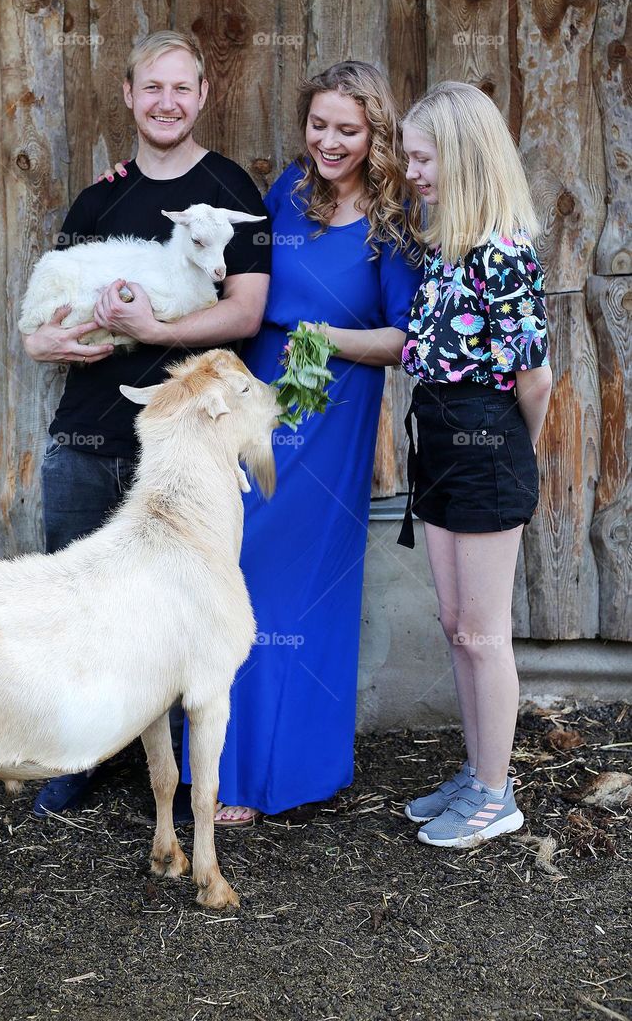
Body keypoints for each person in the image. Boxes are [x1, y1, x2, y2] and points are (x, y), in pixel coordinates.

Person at [20, 29, 271, 816]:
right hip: (87, 432)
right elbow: (45, 319)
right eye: (151, 88)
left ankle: (171, 764)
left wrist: (157, 334)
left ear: (202, 96)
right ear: (129, 96)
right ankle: (72, 754)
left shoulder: (234, 194)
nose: (167, 102)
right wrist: (42, 339)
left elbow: (247, 310)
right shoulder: (99, 199)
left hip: (183, 438)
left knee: (177, 602)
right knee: (71, 592)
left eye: (182, 88)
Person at [189, 60, 423, 824]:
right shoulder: (285, 193)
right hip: (255, 402)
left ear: (374, 134)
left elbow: (403, 339)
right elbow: (241, 283)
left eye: (346, 130)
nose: (328, 141)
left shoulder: (390, 225)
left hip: (332, 411)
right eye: (317, 126)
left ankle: (276, 777)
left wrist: (327, 335)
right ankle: (216, 763)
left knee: (293, 588)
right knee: (233, 569)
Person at [398, 80, 552, 847]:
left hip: (488, 448)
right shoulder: (443, 248)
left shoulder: (503, 252)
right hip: (441, 443)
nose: (412, 171)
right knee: (456, 625)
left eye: (423, 157)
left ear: (460, 157)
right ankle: (478, 769)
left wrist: (510, 453)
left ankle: (498, 796)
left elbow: (533, 378)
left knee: (485, 633)